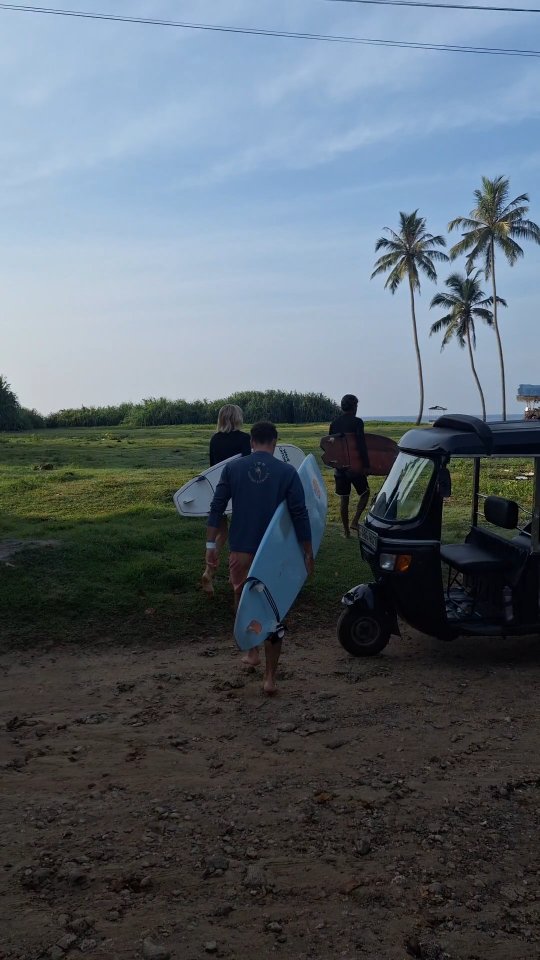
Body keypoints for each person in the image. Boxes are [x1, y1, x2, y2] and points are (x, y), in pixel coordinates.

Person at [205, 421, 313, 695]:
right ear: (275, 443)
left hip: (241, 550)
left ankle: (251, 650)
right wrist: (307, 550)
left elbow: (216, 507)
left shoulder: (232, 468)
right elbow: (300, 513)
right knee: (273, 610)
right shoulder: (287, 472)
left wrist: (210, 546)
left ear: (251, 442)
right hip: (273, 553)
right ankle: (270, 679)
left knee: (242, 597)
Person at [202, 404, 251, 595]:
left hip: (220, 490)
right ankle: (235, 575)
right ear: (238, 417)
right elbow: (247, 466)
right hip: (240, 491)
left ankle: (209, 570)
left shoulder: (215, 440)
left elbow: (213, 468)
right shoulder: (244, 438)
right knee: (240, 534)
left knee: (221, 533)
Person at [329, 394, 370, 538]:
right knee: (365, 493)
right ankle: (355, 521)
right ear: (354, 407)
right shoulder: (358, 422)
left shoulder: (334, 423)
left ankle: (346, 532)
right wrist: (366, 465)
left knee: (344, 499)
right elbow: (361, 445)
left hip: (340, 469)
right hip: (355, 468)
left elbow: (330, 446)